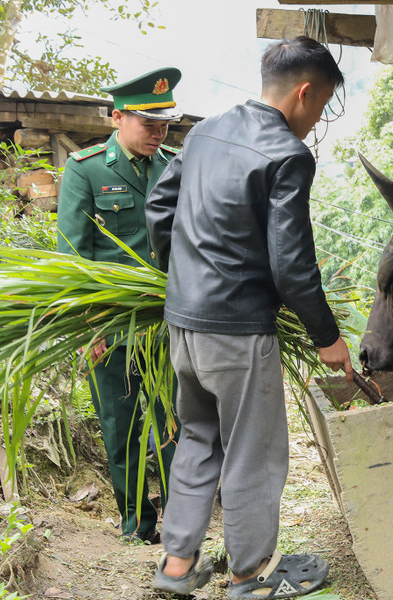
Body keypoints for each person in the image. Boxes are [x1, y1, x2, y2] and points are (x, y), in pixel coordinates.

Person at [144, 37, 352, 599]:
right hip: (238, 332)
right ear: (305, 92)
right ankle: (250, 575)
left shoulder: (205, 130)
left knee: (197, 438)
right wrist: (327, 337)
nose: (316, 121)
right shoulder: (287, 154)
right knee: (253, 453)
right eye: (324, 104)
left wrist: (185, 276)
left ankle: (178, 566)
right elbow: (291, 264)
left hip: (182, 323)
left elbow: (159, 208)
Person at [56, 67, 183, 544]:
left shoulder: (174, 164)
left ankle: (180, 522)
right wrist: (91, 327)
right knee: (121, 427)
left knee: (176, 425)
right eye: (147, 123)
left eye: (164, 124)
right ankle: (136, 523)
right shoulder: (85, 168)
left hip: (170, 324)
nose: (158, 133)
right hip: (111, 328)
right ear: (117, 118)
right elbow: (74, 256)